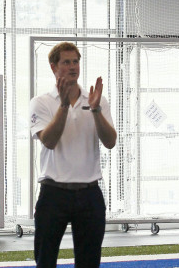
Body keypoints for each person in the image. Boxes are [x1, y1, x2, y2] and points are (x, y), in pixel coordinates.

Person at [29, 42, 117, 268]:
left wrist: (96, 110)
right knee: (45, 261)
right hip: (53, 193)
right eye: (66, 62)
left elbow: (110, 142)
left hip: (89, 194)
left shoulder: (97, 100)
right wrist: (65, 106)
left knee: (89, 263)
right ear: (53, 67)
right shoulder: (41, 102)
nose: (72, 67)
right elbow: (48, 141)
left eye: (75, 61)